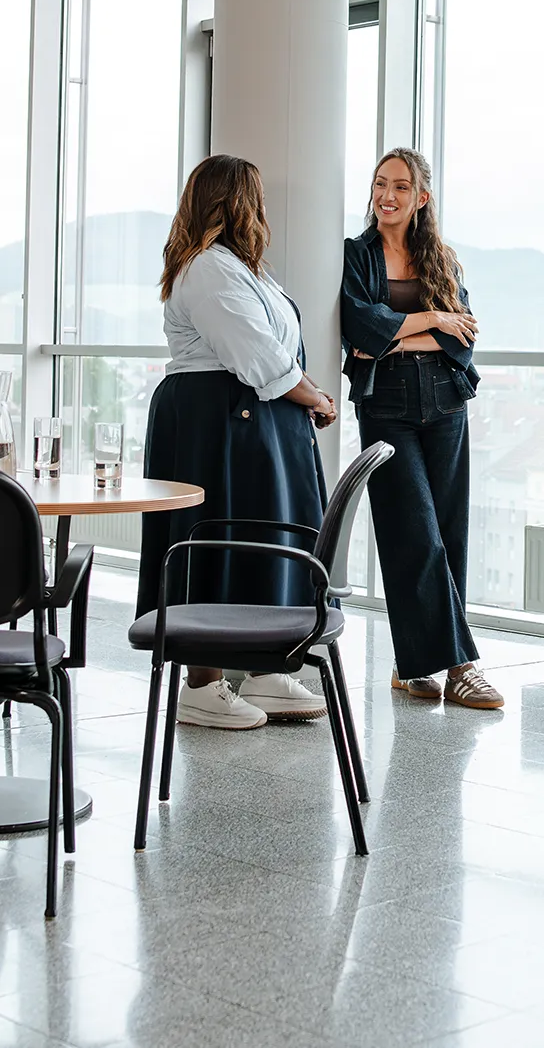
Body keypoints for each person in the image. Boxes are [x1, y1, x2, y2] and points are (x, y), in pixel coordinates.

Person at [137, 154, 338, 730]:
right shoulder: (209, 270)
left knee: (257, 528)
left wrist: (305, 395)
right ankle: (202, 682)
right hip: (214, 418)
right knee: (216, 533)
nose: (266, 209)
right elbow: (258, 356)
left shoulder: (241, 268)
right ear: (237, 203)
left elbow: (271, 355)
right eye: (258, 197)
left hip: (248, 416)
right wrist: (316, 399)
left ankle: (263, 665)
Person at [340, 148, 504, 710]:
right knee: (413, 533)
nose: (388, 196)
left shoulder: (442, 258)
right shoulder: (355, 255)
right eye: (381, 184)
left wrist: (396, 336)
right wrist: (433, 318)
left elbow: (466, 338)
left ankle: (413, 666)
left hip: (444, 401)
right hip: (385, 406)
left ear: (422, 197)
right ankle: (462, 666)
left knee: (447, 534)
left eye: (401, 187)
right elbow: (360, 329)